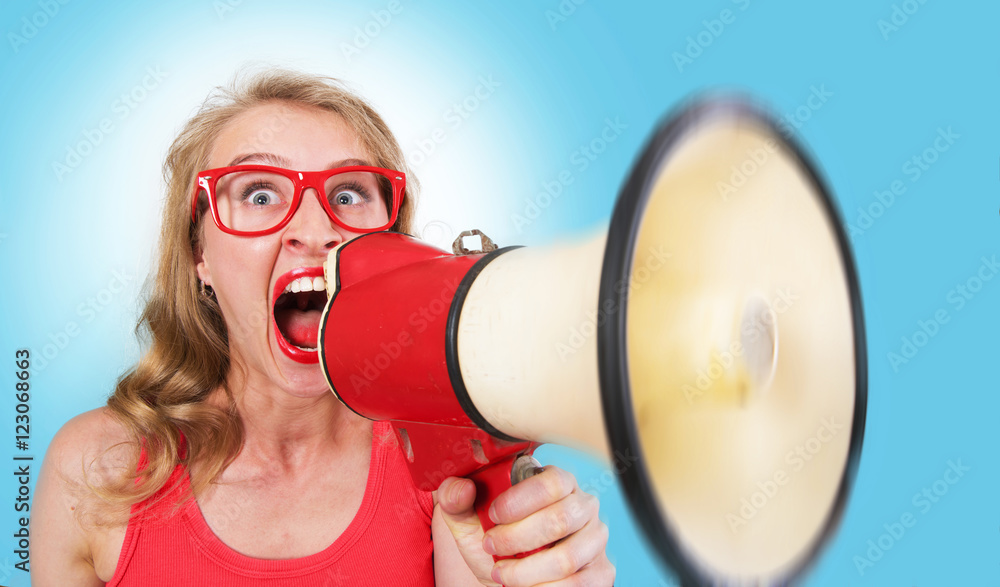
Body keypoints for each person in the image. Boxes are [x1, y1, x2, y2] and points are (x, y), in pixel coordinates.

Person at [32, 69, 615, 586]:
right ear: (198, 257)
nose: (314, 230)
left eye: (347, 193)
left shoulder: (446, 468)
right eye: (260, 193)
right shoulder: (97, 471)